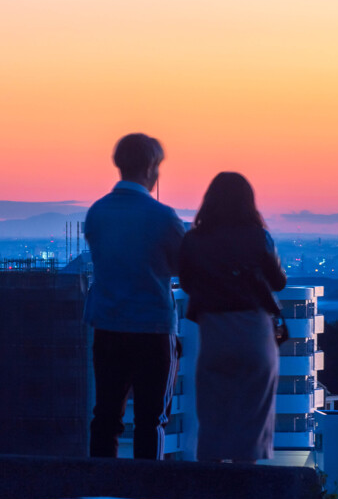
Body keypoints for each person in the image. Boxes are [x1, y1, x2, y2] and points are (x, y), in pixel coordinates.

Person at [84, 133, 186, 459]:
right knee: (151, 419)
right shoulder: (163, 217)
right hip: (153, 327)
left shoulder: (97, 213)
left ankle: (100, 489)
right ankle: (148, 491)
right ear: (151, 168)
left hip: (107, 325)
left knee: (106, 416)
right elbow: (181, 264)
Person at [178, 172, 287, 463]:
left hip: (215, 336)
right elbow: (278, 283)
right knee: (252, 422)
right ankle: (244, 496)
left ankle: (209, 495)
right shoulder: (259, 237)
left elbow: (187, 284)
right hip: (255, 334)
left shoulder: (193, 241)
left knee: (213, 421)